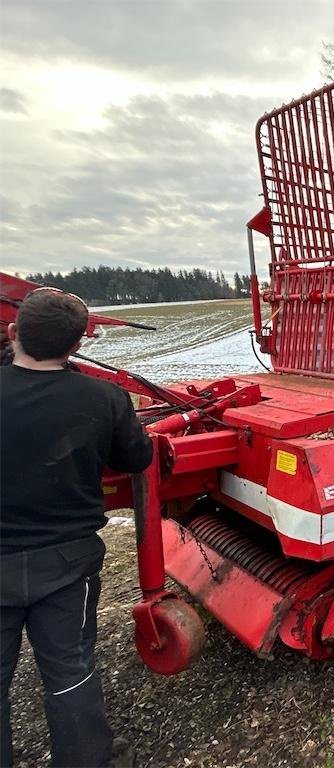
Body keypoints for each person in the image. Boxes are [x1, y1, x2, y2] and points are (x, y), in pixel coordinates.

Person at [1, 289, 153, 767]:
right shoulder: (103, 398)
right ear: (77, 345)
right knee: (70, 672)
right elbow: (138, 458)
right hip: (67, 563)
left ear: (12, 332)